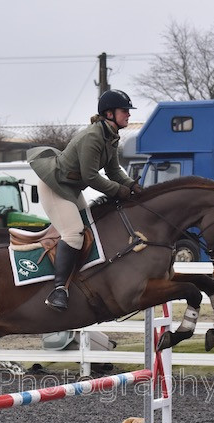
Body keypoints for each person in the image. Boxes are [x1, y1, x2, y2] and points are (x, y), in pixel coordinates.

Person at [27, 89, 141, 311]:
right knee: (74, 233)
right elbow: (90, 176)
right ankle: (58, 290)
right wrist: (119, 191)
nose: (128, 114)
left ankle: (79, 279)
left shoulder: (110, 136)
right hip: (54, 186)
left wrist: (133, 186)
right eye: (124, 110)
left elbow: (114, 170)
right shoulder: (93, 137)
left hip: (70, 188)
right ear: (109, 113)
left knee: (90, 229)